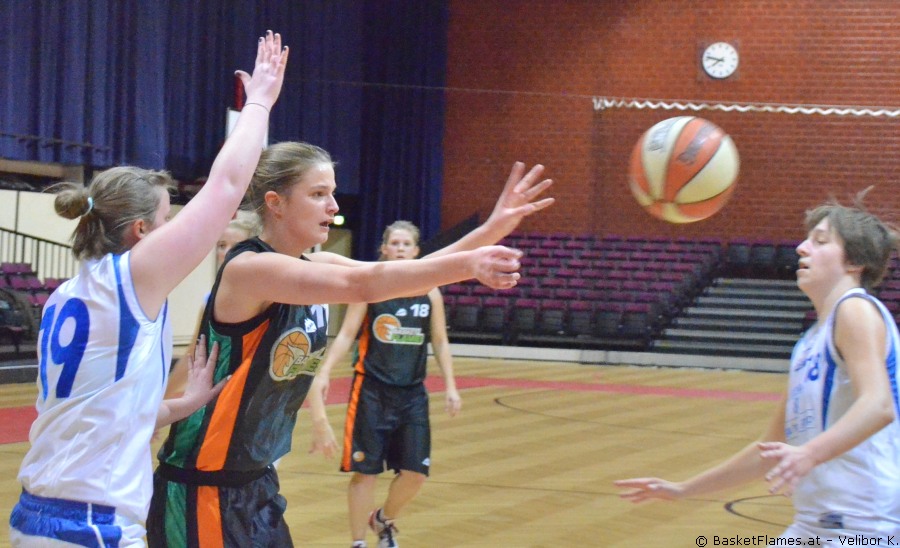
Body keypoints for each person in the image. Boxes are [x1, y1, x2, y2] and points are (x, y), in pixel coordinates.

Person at [146, 145, 554, 548]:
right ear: (276, 203)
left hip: (255, 485)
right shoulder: (250, 269)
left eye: (333, 193)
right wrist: (469, 265)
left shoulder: (313, 265)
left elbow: (407, 276)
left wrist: (492, 229)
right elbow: (363, 285)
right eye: (318, 193)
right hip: (203, 488)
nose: (333, 205)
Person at [9, 31, 289, 546]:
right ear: (141, 231)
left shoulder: (68, 295)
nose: (175, 227)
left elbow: (110, 413)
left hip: (40, 516)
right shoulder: (131, 279)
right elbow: (226, 188)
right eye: (166, 218)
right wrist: (260, 102)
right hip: (91, 524)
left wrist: (186, 402)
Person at [615, 194, 900, 544]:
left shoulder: (854, 309)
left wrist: (809, 454)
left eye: (820, 241)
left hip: (864, 527)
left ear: (854, 261)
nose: (801, 248)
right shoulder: (810, 342)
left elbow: (879, 405)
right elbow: (770, 449)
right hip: (815, 525)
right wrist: (682, 489)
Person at [307, 220, 462, 548]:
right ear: (384, 249)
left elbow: (439, 340)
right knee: (366, 472)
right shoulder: (370, 287)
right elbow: (347, 333)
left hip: (413, 394)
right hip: (371, 392)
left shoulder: (429, 292)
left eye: (407, 244)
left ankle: (383, 518)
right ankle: (359, 542)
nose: (401, 249)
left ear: (416, 251)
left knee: (415, 474)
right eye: (395, 243)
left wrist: (450, 385)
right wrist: (324, 371)